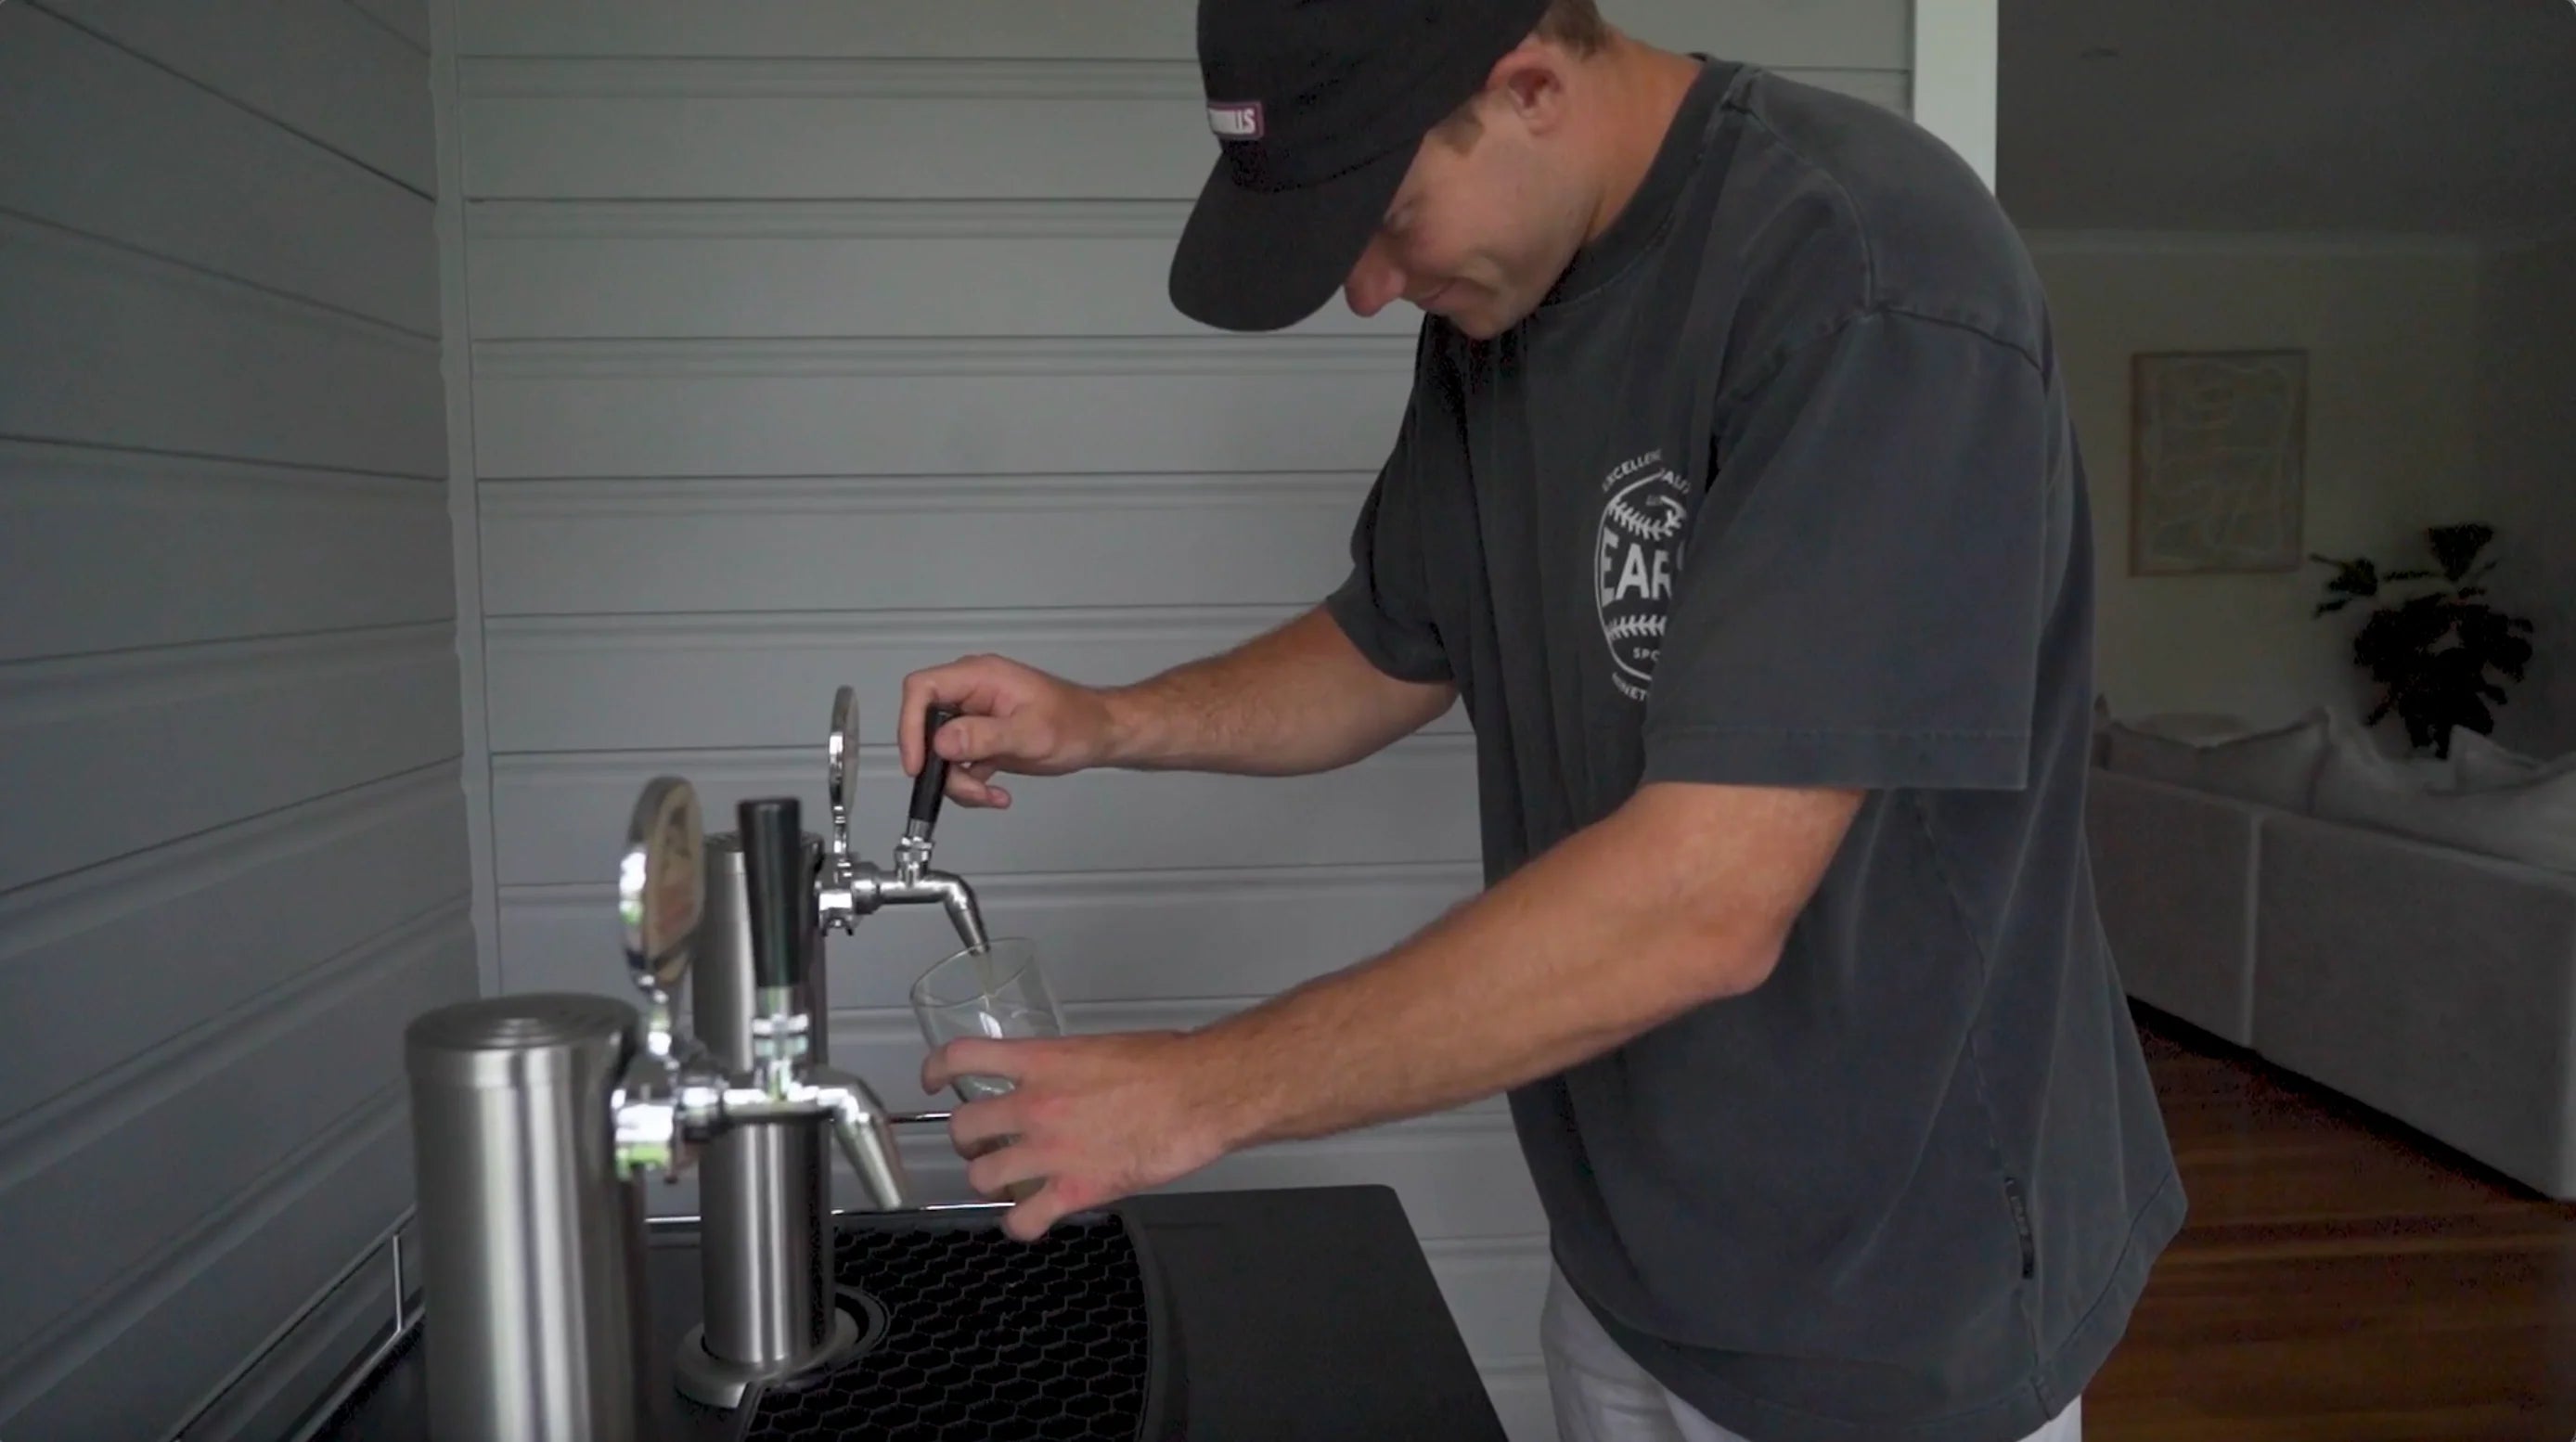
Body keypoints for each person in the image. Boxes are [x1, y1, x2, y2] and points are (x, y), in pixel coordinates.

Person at [897, 1, 2185, 1438]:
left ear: (1528, 86)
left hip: (1891, 1299)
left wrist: (1194, 1095)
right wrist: (1103, 721)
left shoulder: (1868, 280)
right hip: (1629, 1258)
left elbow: (1708, 897)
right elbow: (1392, 644)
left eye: (1386, 220)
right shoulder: (1501, 306)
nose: (1370, 292)